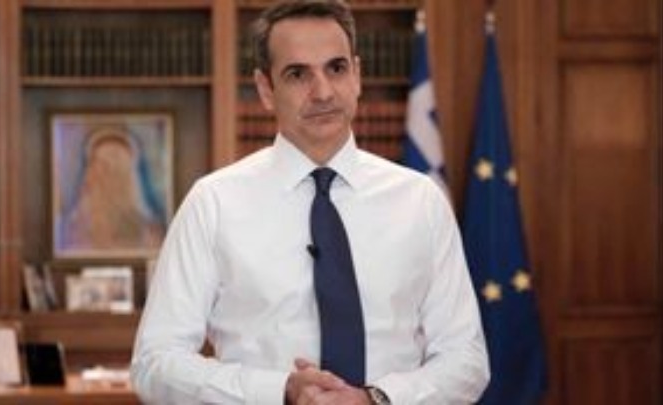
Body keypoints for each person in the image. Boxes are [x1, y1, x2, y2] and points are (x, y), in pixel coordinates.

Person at [131, 1, 489, 404]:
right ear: (266, 89)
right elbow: (154, 364)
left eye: (336, 68)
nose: (323, 92)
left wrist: (375, 399)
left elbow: (467, 359)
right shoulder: (212, 203)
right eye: (298, 74)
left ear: (357, 75)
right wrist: (279, 391)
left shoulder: (421, 201)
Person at [58, 128, 165, 253]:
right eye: (93, 164)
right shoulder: (74, 226)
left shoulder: (149, 231)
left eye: (105, 167)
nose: (93, 175)